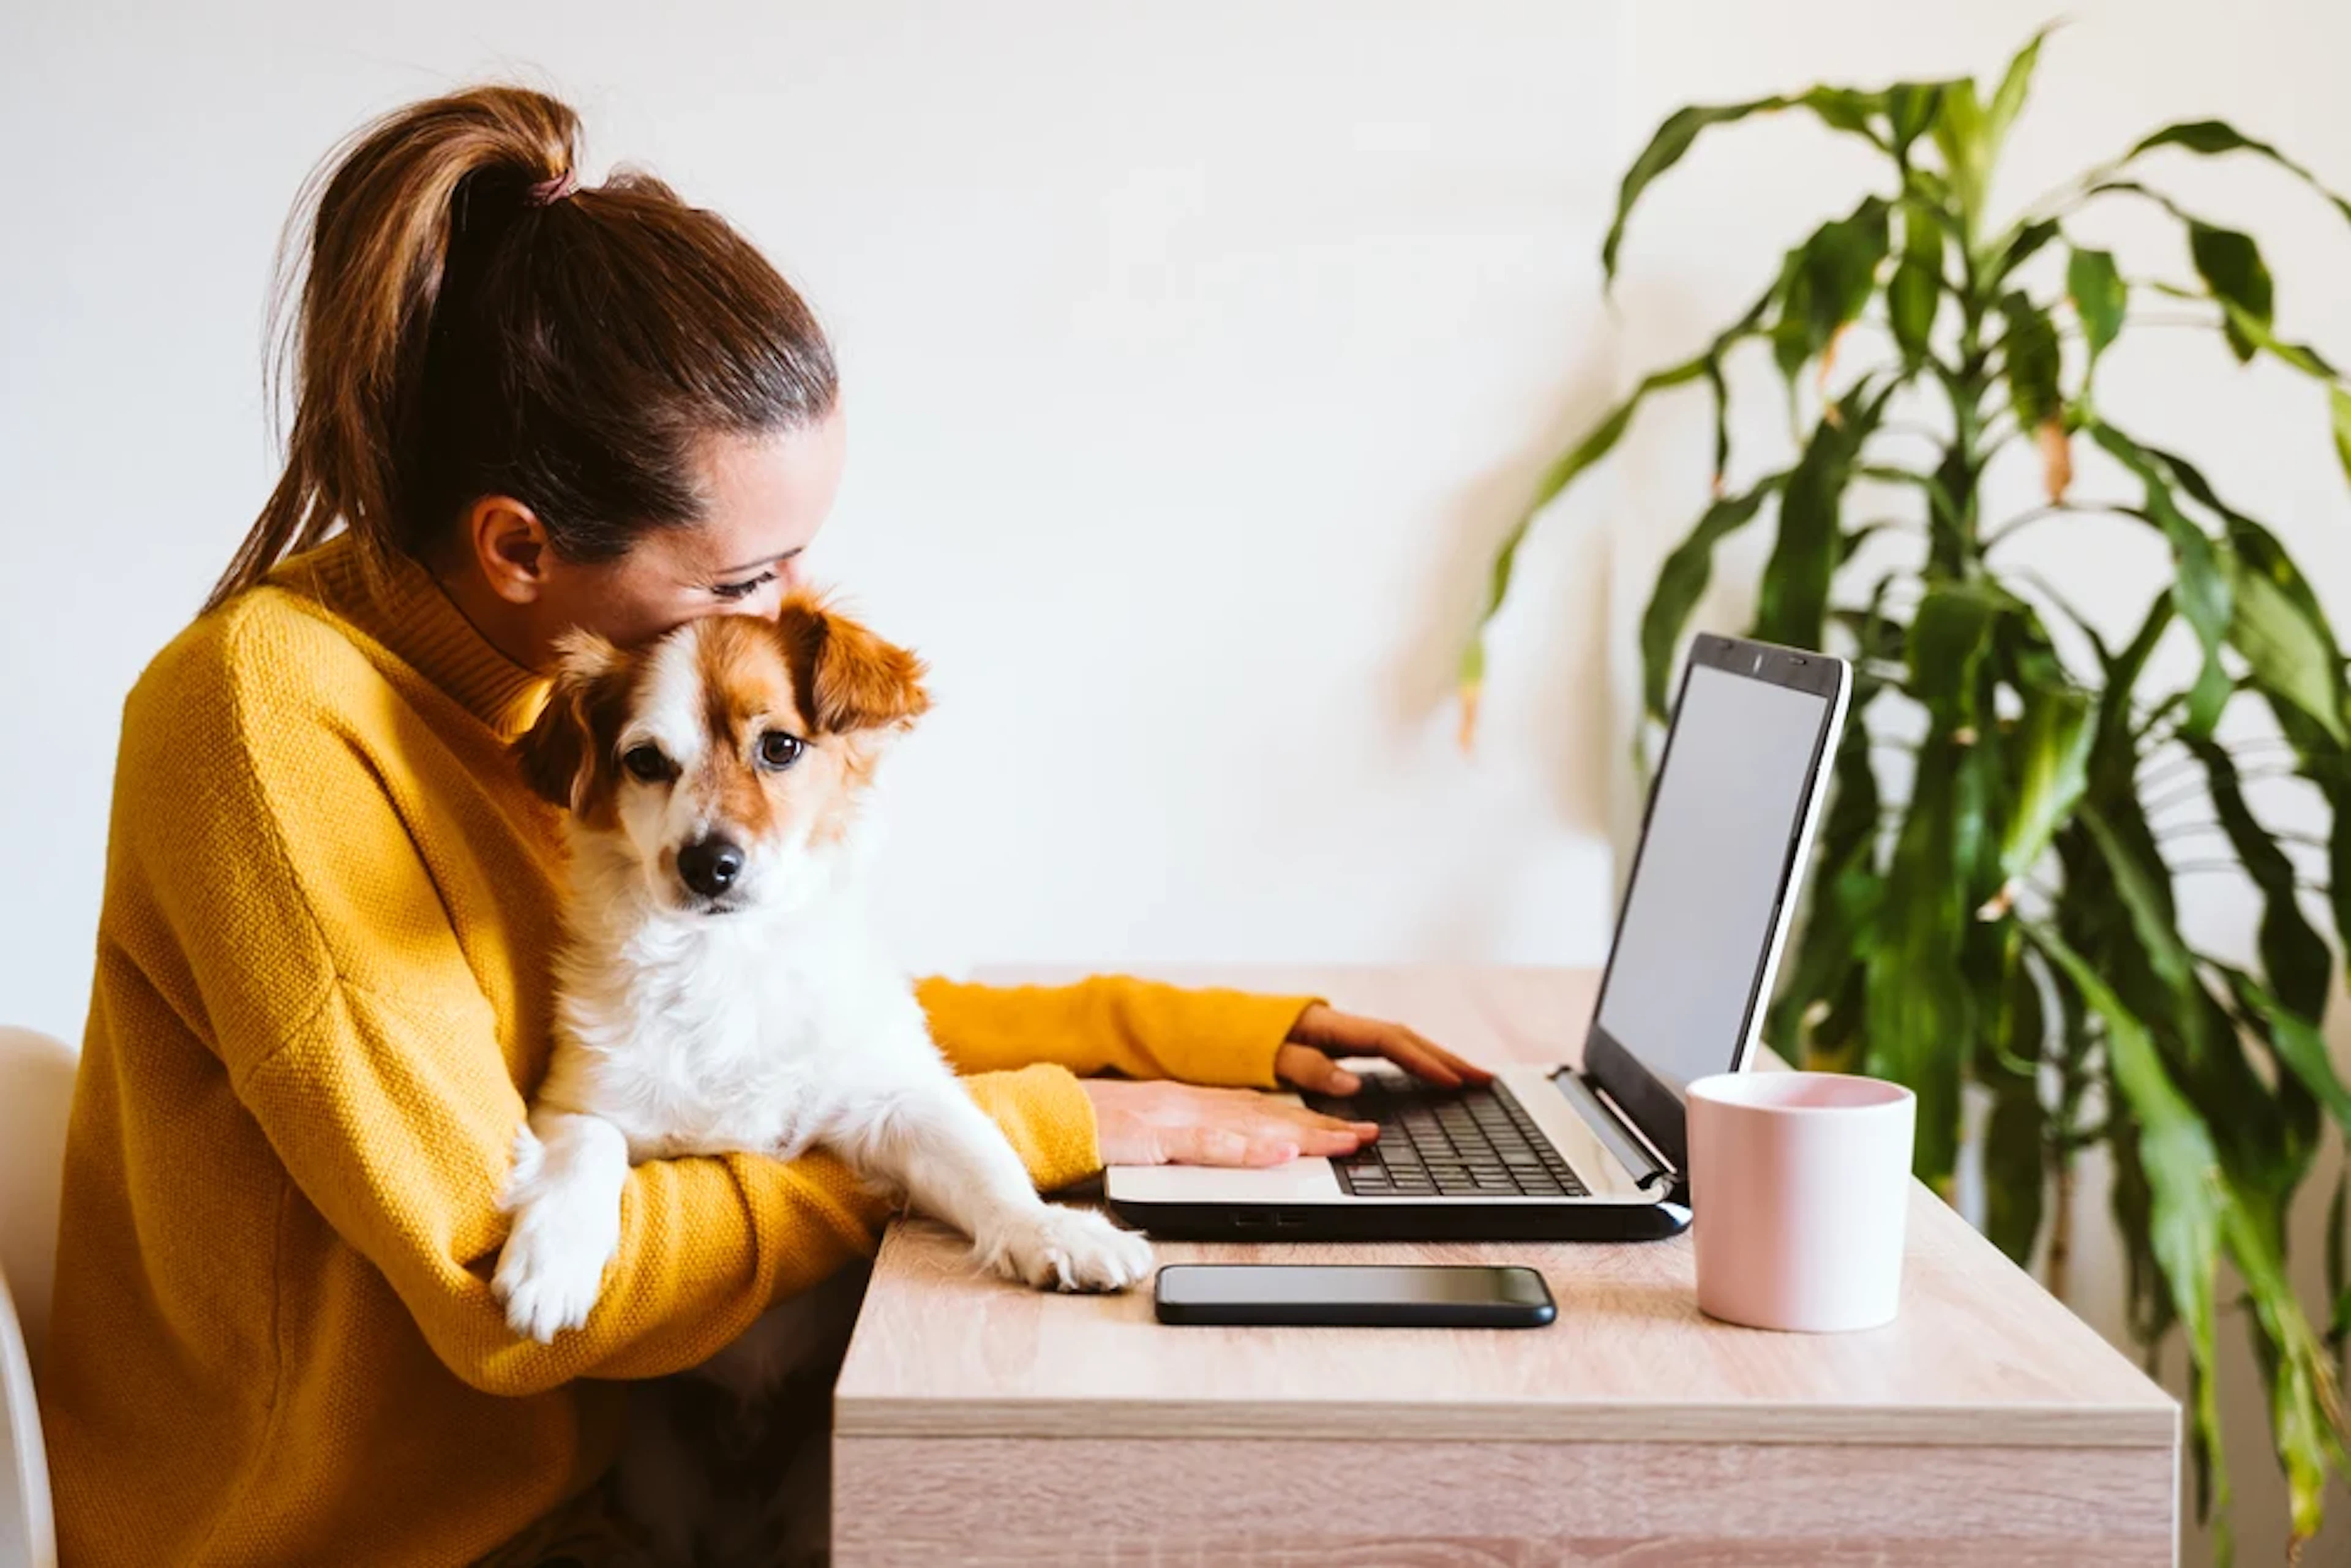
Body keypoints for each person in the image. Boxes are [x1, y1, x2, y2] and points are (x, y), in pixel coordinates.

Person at [37, 85, 1484, 1566]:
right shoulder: (267, 725)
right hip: (372, 1541)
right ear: (521, 546)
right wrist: (1037, 1128)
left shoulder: (551, 704)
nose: (782, 622)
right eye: (748, 576)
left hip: (595, 1492)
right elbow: (507, 1294)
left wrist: (1189, 1035)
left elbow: (773, 1022)